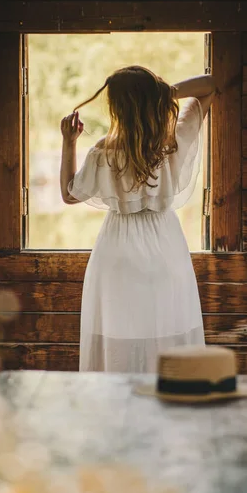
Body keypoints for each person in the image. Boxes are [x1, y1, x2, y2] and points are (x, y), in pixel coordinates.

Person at [60, 66, 216, 372]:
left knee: (120, 334)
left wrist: (69, 141)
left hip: (118, 247)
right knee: (164, 329)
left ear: (117, 109)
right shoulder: (172, 144)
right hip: (165, 245)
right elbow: (210, 85)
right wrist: (161, 95)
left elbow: (69, 195)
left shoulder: (102, 153)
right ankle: (166, 403)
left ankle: (119, 405)